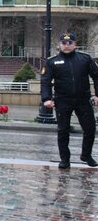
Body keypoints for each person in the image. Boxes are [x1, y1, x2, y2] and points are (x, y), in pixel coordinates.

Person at [41, 32, 98, 169]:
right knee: (63, 130)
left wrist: (97, 94)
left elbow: (96, 76)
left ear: (75, 44)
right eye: (64, 43)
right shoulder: (52, 61)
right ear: (60, 45)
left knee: (90, 129)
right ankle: (65, 159)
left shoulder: (85, 59)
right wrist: (47, 98)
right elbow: (45, 81)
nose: (67, 46)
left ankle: (86, 155)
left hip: (83, 99)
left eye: (70, 43)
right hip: (62, 100)